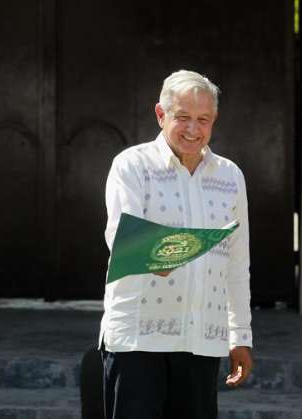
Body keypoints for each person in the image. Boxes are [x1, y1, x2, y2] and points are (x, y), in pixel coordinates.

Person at [99, 70, 253, 419]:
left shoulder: (230, 176)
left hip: (202, 339)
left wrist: (240, 335)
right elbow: (127, 242)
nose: (193, 130)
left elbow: (236, 262)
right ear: (160, 114)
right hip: (138, 339)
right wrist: (182, 249)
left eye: (203, 120)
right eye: (182, 117)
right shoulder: (132, 166)